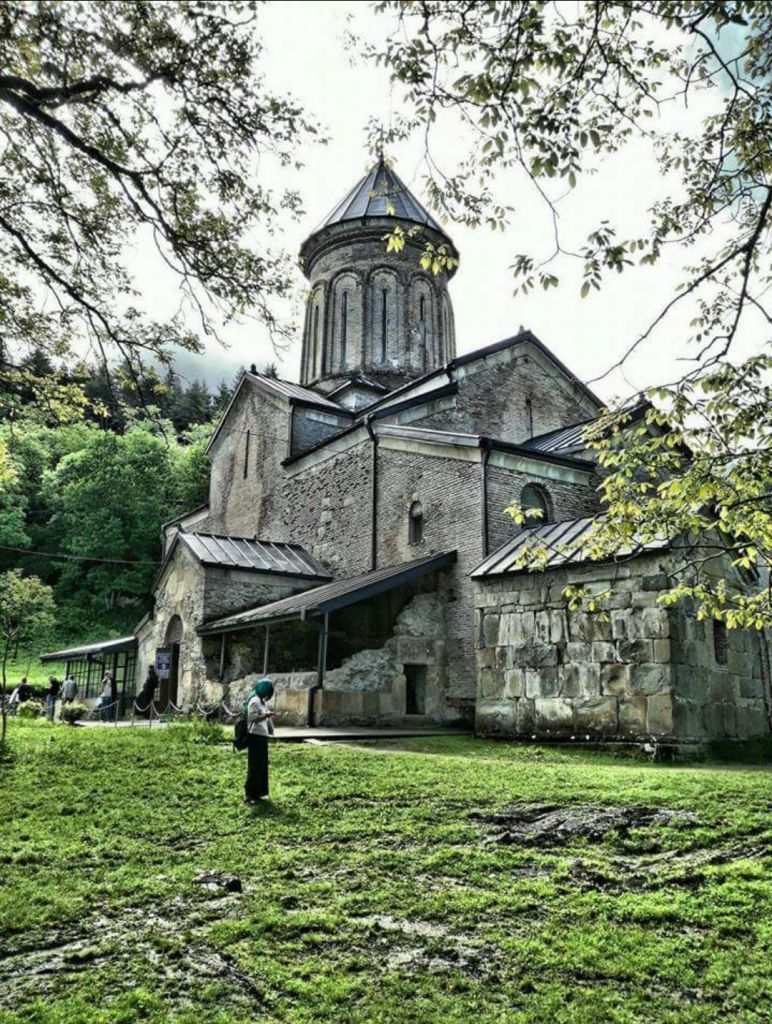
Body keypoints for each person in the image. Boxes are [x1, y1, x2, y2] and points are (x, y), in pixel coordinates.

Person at [244, 678, 274, 804]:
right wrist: (266, 716)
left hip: (262, 736)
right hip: (255, 736)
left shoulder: (262, 702)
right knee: (254, 766)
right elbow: (253, 718)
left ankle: (258, 793)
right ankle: (249, 795)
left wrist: (270, 726)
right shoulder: (254, 701)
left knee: (261, 766)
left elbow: (265, 718)